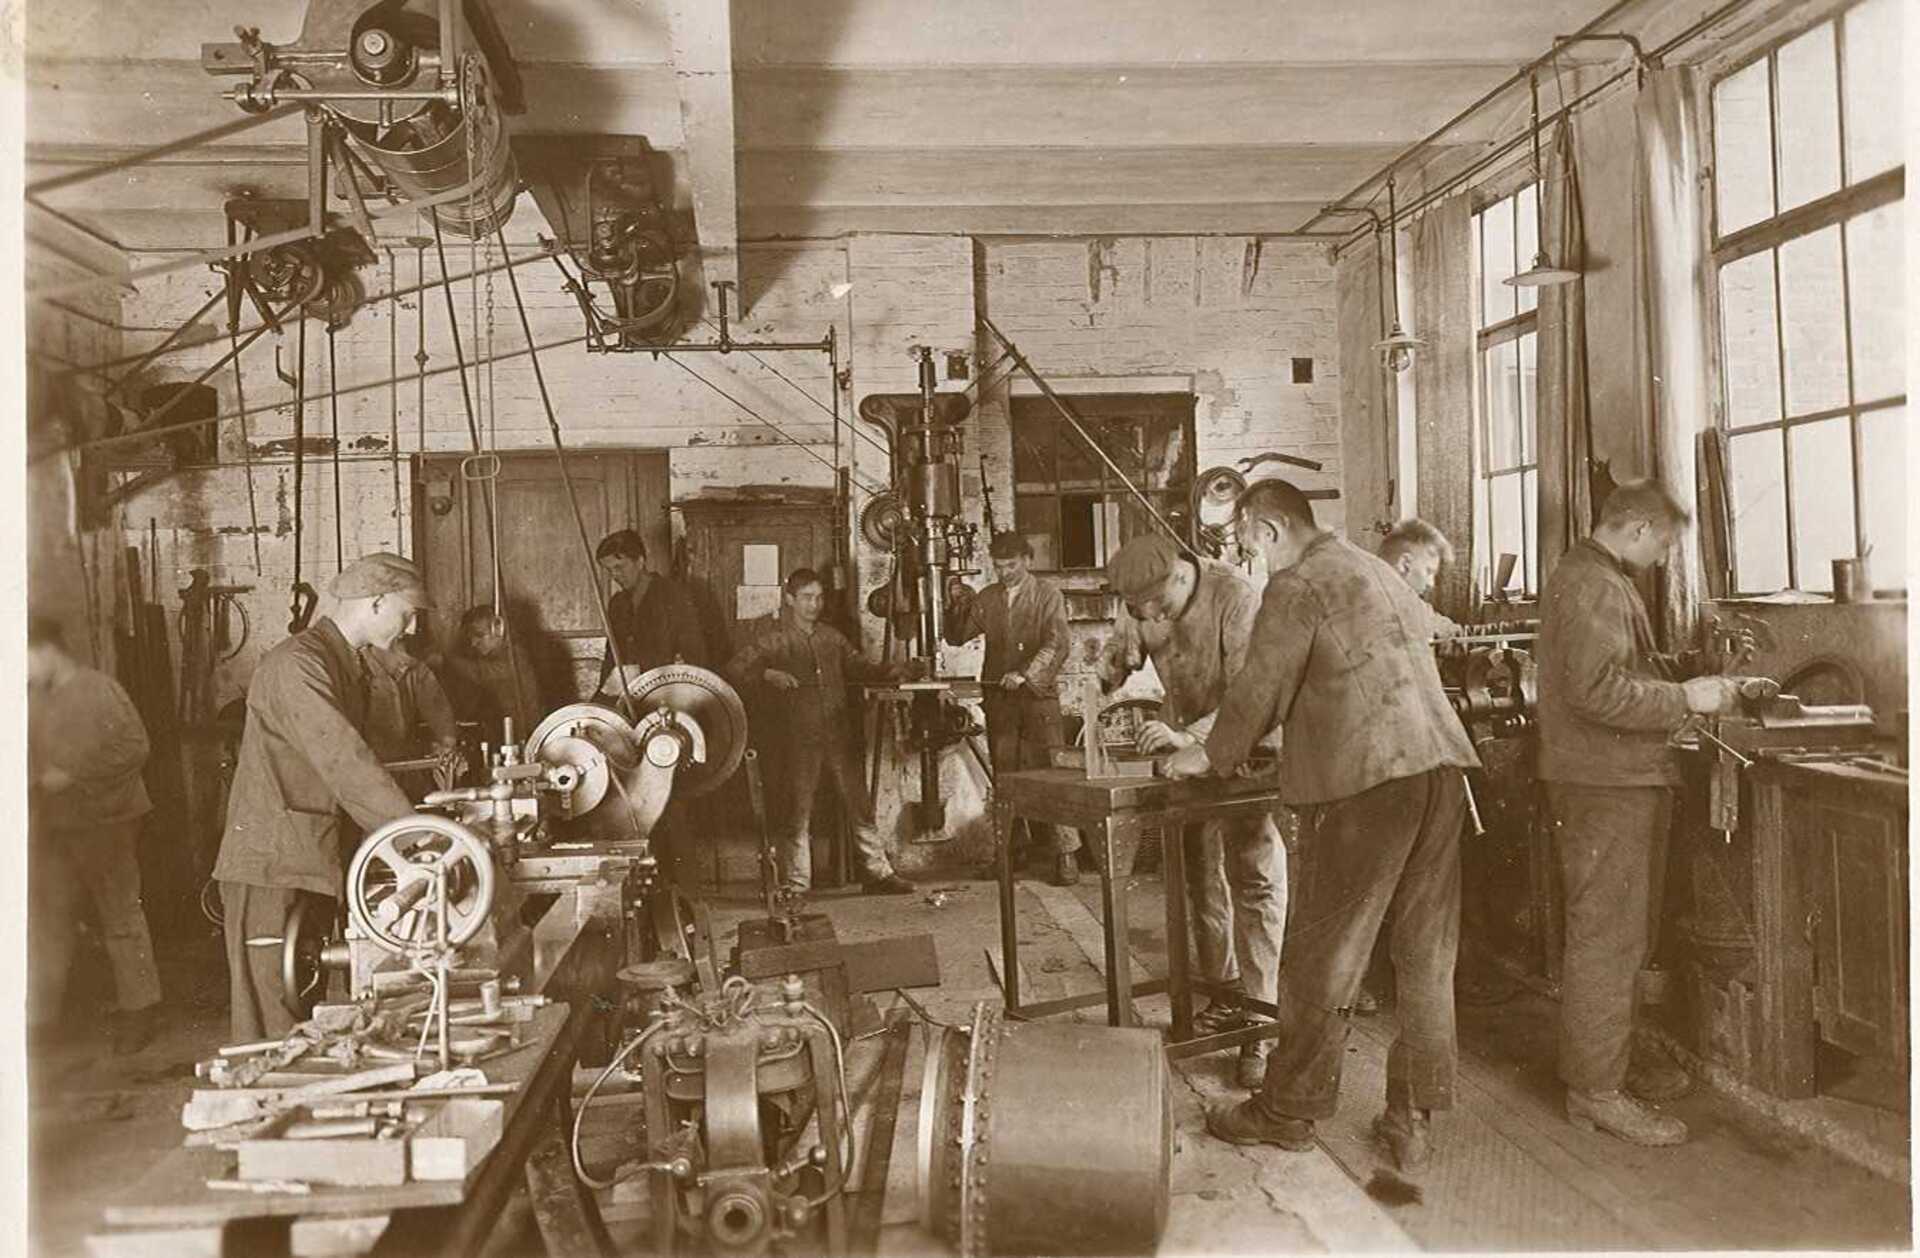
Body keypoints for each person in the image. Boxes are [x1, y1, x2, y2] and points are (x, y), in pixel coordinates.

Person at [1165, 479, 1479, 1174]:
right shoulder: (1374, 568)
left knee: (1320, 956)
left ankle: (1286, 1112)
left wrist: (1204, 753)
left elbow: (1260, 688)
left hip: (1369, 784)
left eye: (1250, 545)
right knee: (1426, 958)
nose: (1252, 559)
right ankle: (1411, 1118)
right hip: (1442, 771)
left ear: (1268, 528)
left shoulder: (1297, 583)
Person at [1536, 479, 1742, 1146]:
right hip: (1605, 785)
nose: (1663, 557)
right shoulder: (1593, 584)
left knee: (1622, 934)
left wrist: (1684, 677)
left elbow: (1618, 670)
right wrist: (1687, 699)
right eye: (1664, 544)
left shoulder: (1598, 576)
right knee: (1608, 937)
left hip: (1616, 780)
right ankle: (1595, 1090)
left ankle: (1611, 1062)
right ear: (1638, 529)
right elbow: (1595, 691)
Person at [1098, 534, 1287, 1090]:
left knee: (1253, 879)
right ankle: (1225, 994)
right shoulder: (1142, 600)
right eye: (1142, 611)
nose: (1153, 619)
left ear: (1182, 575)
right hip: (1183, 756)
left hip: (1247, 749)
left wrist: (1193, 738)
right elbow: (1121, 654)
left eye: (1160, 607)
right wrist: (1100, 678)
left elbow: (1253, 696)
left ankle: (1262, 1023)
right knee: (1200, 877)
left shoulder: (1237, 598)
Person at [213, 553, 427, 1041]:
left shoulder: (344, 664)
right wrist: (413, 838)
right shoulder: (299, 665)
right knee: (269, 1024)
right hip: (271, 862)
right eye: (408, 613)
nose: (412, 627)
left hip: (310, 853)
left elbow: (365, 756)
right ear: (376, 602)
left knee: (302, 1014)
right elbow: (344, 760)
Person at [727, 569, 915, 897]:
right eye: (806, 598)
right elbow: (734, 670)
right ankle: (797, 884)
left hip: (839, 734)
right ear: (790, 599)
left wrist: (897, 670)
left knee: (859, 805)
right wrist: (767, 673)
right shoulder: (772, 639)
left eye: (819, 597)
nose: (814, 605)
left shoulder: (832, 637)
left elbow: (860, 667)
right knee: (798, 811)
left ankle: (878, 874)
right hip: (797, 738)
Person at [27, 616, 164, 1055]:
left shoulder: (98, 689)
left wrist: (73, 774)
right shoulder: (35, 698)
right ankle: (40, 1023)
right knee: (48, 921)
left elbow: (135, 747)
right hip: (57, 824)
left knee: (120, 916)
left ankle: (141, 1011)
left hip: (109, 822)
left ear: (47, 650)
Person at [944, 531, 1082, 887]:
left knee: (1050, 774)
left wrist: (1025, 674)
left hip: (1037, 698)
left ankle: (1065, 855)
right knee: (1006, 777)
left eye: (1011, 565)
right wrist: (955, 602)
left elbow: (1057, 643)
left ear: (1027, 560)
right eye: (999, 566)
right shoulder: (988, 598)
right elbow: (957, 636)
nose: (1004, 572)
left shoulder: (1047, 595)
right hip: (1001, 701)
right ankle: (1011, 853)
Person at [595, 530, 706, 698]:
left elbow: (693, 656)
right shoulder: (617, 603)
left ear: (640, 561)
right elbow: (611, 657)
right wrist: (602, 696)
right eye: (609, 570)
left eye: (619, 567)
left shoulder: (673, 595)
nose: (615, 576)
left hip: (668, 693)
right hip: (628, 697)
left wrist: (639, 670)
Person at [436, 605, 543, 742]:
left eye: (479, 635)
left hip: (527, 734)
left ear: (498, 629)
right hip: (507, 731)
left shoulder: (516, 654)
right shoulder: (494, 655)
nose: (474, 643)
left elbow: (483, 672)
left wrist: (446, 660)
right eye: (471, 637)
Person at [1379, 518, 1467, 639]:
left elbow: (1447, 629)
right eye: (1428, 572)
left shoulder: (1409, 602)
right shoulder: (1381, 608)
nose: (1431, 584)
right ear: (1405, 563)